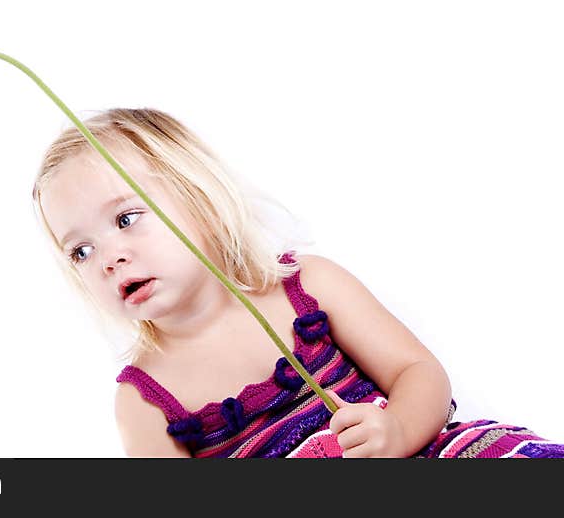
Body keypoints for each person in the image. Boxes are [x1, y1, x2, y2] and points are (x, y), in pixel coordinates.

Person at [31, 107, 564, 458]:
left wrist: (398, 429)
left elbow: (417, 371)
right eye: (80, 250)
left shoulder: (307, 286)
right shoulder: (145, 401)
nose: (109, 258)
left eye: (125, 219)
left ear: (199, 196)